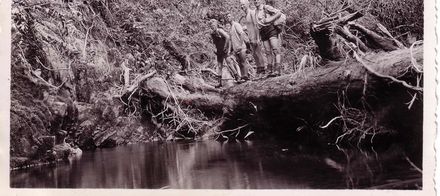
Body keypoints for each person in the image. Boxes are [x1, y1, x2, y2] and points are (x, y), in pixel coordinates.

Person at [253, 0, 283, 77]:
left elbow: (279, 13)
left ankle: (277, 70)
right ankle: (270, 71)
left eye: (257, 0)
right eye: (254, 0)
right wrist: (258, 37)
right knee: (267, 51)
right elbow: (257, 25)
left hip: (270, 29)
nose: (256, 1)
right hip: (262, 31)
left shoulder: (266, 7)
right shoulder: (255, 11)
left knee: (275, 49)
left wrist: (269, 19)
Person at [240, 0, 266, 77]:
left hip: (255, 37)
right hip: (250, 38)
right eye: (241, 5)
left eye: (243, 5)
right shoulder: (246, 15)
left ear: (248, 4)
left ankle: (263, 71)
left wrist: (258, 38)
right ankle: (259, 71)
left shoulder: (252, 12)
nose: (242, 6)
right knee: (254, 54)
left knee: (258, 53)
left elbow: (256, 25)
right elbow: (249, 27)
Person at [209, 19, 236, 87]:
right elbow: (214, 42)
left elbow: (227, 37)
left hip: (224, 50)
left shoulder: (220, 30)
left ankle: (237, 77)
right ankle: (220, 83)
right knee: (219, 66)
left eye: (214, 25)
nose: (213, 27)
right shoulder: (212, 33)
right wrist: (214, 49)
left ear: (216, 24)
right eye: (211, 26)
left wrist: (226, 47)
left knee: (229, 63)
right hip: (219, 51)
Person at [225, 13, 252, 82]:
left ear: (232, 17)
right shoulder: (230, 28)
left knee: (243, 62)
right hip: (235, 49)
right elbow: (231, 40)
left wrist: (240, 44)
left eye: (229, 16)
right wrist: (229, 50)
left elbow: (242, 34)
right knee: (239, 63)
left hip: (241, 47)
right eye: (227, 17)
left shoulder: (236, 25)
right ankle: (243, 77)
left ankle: (246, 76)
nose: (228, 17)